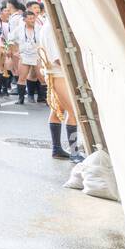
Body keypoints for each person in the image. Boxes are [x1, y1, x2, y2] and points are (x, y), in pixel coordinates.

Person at [38, 16, 81, 160]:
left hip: (57, 73)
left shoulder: (49, 25)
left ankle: (57, 149)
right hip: (57, 73)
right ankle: (74, 152)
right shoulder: (50, 28)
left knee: (58, 111)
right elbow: (56, 57)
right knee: (73, 111)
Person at [15, 9, 42, 105]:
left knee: (41, 77)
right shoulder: (19, 29)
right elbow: (10, 39)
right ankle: (20, 98)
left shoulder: (39, 28)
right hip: (24, 55)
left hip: (37, 55)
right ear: (24, 20)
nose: (32, 20)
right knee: (22, 77)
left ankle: (45, 98)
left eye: (33, 18)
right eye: (29, 18)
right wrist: (14, 51)